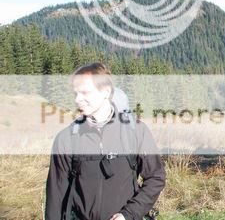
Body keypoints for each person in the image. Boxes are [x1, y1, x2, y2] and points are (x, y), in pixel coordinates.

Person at [45, 63, 166, 220]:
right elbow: (55, 196)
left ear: (106, 92)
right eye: (75, 93)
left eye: (84, 92)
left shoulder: (135, 132)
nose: (77, 99)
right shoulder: (66, 139)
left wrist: (128, 214)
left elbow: (156, 177)